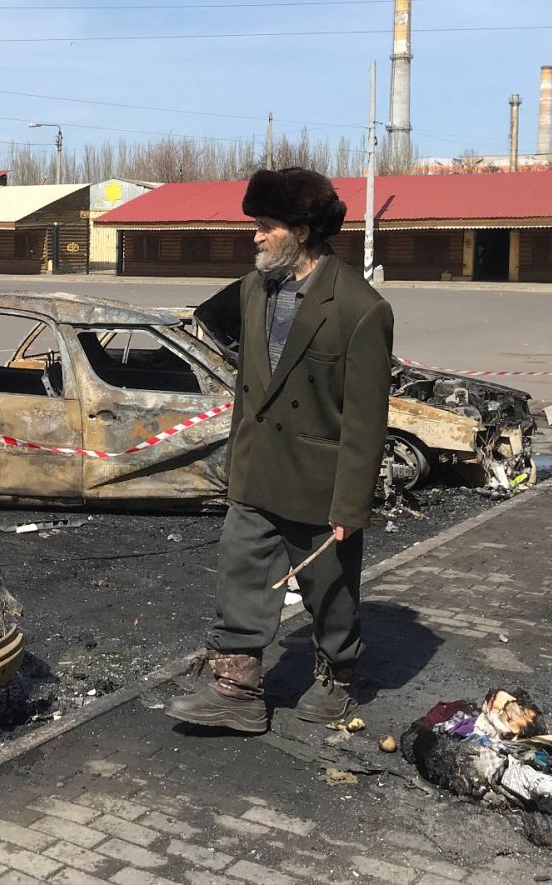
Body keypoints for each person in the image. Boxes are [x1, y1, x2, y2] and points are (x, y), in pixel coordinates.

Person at [166, 167, 394, 733]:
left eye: (266, 226)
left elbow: (367, 419)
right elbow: (250, 384)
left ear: (303, 230)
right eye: (256, 225)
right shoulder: (252, 289)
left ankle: (339, 676)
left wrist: (351, 505)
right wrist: (235, 456)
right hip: (257, 471)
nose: (256, 237)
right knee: (239, 576)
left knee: (331, 592)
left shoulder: (360, 308)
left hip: (321, 481)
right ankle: (236, 690)